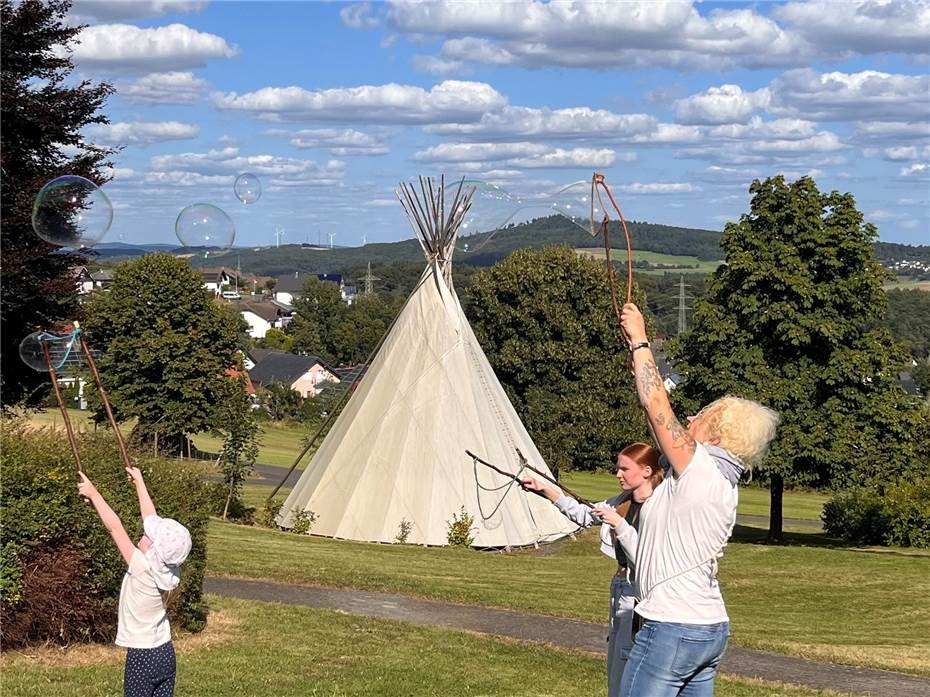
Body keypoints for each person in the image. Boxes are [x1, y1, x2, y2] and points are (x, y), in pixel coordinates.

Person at [617, 302, 780, 697]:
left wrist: (640, 339)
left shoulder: (702, 466)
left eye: (701, 418)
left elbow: (658, 410)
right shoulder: (721, 481)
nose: (690, 420)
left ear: (717, 436)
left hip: (671, 627)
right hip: (708, 628)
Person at [521, 442, 664, 697]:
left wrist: (619, 525)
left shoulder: (661, 508)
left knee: (632, 666)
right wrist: (546, 490)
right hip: (620, 589)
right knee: (616, 667)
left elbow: (646, 559)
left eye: (624, 469)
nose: (617, 474)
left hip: (642, 594)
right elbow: (584, 514)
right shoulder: (622, 501)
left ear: (646, 471)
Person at [78, 467, 192, 697]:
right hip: (165, 653)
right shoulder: (171, 572)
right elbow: (150, 517)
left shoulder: (141, 566)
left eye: (150, 535)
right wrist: (139, 482)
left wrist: (94, 494)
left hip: (142, 657)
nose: (145, 532)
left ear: (155, 552)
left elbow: (115, 527)